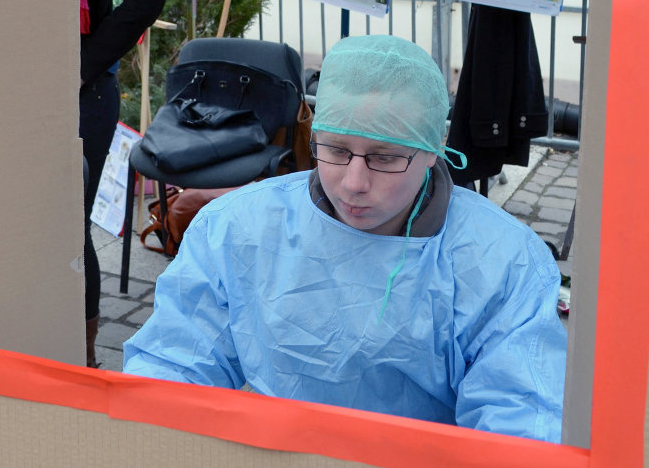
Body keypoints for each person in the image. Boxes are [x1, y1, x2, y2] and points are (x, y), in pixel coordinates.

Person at [123, 34, 567, 441]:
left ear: (434, 150)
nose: (354, 183)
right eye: (335, 150)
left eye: (385, 158)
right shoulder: (237, 229)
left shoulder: (500, 260)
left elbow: (520, 422)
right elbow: (173, 365)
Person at [79, 0, 165, 366]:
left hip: (82, 92)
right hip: (16, 86)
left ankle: (84, 357)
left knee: (68, 227)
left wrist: (79, 67)